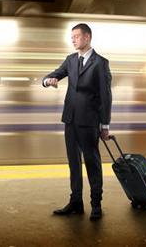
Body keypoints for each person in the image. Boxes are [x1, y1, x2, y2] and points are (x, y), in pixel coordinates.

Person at [42, 23, 112, 220]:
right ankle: (76, 202)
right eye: (71, 36)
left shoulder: (100, 63)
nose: (72, 39)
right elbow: (54, 74)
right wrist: (48, 81)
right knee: (74, 163)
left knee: (92, 163)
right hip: (70, 120)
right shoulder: (71, 60)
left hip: (89, 122)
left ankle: (96, 204)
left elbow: (106, 97)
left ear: (87, 37)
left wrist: (105, 125)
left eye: (76, 36)